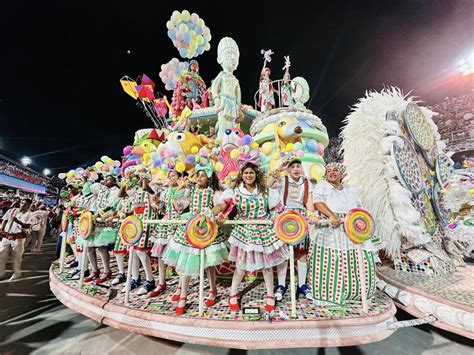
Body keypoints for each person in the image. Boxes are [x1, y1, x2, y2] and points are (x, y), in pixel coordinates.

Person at [215, 154, 288, 312]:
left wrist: (278, 169)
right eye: (246, 173)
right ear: (242, 175)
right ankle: (233, 294)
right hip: (244, 231)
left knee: (267, 265)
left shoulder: (263, 190)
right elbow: (223, 205)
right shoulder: (235, 192)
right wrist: (212, 212)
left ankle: (270, 295)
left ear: (256, 175)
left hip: (263, 230)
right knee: (241, 265)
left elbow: (274, 198)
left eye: (251, 173)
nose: (248, 175)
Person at [162, 163, 228, 315]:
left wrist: (210, 215)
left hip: (206, 228)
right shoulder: (190, 190)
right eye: (197, 174)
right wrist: (184, 183)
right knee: (185, 262)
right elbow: (177, 198)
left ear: (209, 178)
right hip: (190, 227)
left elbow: (221, 206)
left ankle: (212, 290)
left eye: (202, 175)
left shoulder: (214, 192)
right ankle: (183, 297)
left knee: (209, 263)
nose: (199, 177)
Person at [309, 162, 378, 305]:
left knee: (362, 260)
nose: (332, 172)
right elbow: (318, 202)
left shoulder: (350, 189)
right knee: (332, 261)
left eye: (335, 170)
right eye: (329, 171)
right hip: (331, 227)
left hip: (352, 227)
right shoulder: (322, 186)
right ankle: (331, 296)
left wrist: (361, 222)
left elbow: (359, 207)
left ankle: (358, 295)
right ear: (325, 175)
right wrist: (332, 216)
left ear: (341, 175)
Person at [267, 156, 315, 301]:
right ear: (288, 169)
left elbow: (309, 201)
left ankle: (302, 285)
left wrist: (311, 214)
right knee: (283, 252)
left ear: (301, 169)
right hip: (284, 217)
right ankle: (281, 285)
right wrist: (279, 169)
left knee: (302, 252)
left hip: (300, 217)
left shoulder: (306, 183)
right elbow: (268, 185)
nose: (296, 169)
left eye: (298, 166)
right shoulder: (283, 180)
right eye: (292, 167)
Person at [149, 169, 183, 297]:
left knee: (178, 255)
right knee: (160, 253)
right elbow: (163, 210)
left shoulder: (183, 190)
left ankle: (180, 286)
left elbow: (181, 208)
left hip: (178, 223)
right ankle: (161, 282)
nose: (170, 177)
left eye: (173, 175)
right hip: (166, 223)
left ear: (179, 177)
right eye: (169, 176)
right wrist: (158, 203)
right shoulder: (164, 192)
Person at [0, 198, 33, 280]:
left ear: (28, 206)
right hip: (6, 236)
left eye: (25, 204)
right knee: (1, 255)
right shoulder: (12, 210)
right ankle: (1, 272)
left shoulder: (30, 214)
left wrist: (18, 221)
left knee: (16, 257)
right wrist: (2, 230)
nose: (22, 205)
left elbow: (27, 226)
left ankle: (17, 273)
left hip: (18, 238)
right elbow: (5, 220)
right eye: (22, 203)